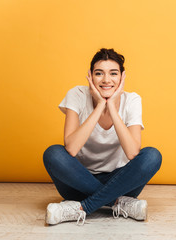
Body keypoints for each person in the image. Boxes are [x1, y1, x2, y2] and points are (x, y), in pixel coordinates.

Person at [43, 48, 162, 226]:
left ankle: (82, 208)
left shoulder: (132, 100)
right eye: (99, 73)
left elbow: (132, 152)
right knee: (53, 154)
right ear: (90, 76)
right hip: (78, 181)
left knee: (152, 156)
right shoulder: (77, 94)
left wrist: (112, 106)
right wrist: (99, 105)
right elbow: (72, 148)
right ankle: (119, 203)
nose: (106, 80)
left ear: (122, 77)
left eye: (113, 73)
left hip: (121, 181)